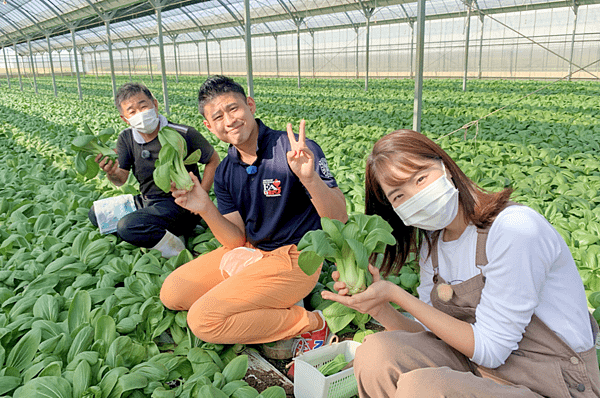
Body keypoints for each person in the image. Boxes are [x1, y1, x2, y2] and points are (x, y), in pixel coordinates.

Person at [322, 129, 600, 397]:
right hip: (481, 372)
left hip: (553, 384)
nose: (415, 196)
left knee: (423, 388)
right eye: (399, 195)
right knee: (376, 353)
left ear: (446, 169)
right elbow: (433, 336)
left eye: (420, 179)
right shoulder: (434, 246)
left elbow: (492, 349)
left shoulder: (514, 229)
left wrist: (397, 295)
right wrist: (380, 308)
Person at [159, 75, 348, 358]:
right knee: (172, 293)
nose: (229, 120)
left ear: (250, 105)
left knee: (203, 320)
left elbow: (339, 219)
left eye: (233, 108)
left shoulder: (293, 149)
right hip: (251, 253)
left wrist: (309, 179)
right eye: (218, 116)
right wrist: (205, 208)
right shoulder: (224, 172)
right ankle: (262, 297)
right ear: (209, 126)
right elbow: (235, 240)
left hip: (296, 257)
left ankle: (313, 322)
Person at [89, 82, 220, 258]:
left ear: (155, 104)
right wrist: (112, 173)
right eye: (132, 112)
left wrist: (201, 196)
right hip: (147, 201)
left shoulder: (182, 133)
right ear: (124, 118)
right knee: (96, 214)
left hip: (181, 205)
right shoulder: (126, 138)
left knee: (126, 226)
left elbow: (213, 159)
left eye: (143, 106)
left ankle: (177, 250)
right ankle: (158, 231)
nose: (140, 114)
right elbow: (121, 179)